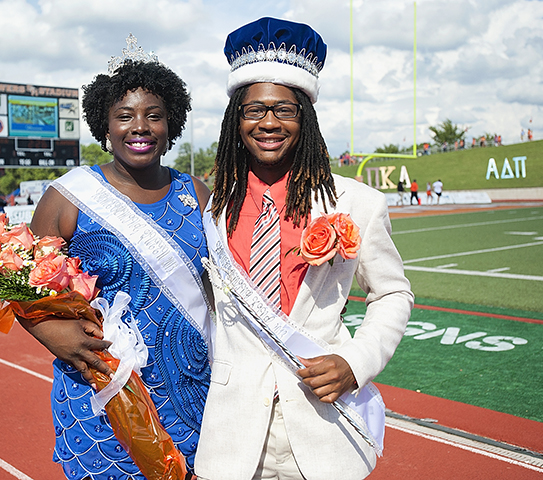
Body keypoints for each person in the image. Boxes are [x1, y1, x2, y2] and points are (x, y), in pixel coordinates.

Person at [196, 17, 413, 480]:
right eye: (253, 110)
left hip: (323, 428)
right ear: (236, 121)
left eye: (284, 109)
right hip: (233, 436)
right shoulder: (210, 207)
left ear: (305, 118)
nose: (268, 123)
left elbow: (393, 294)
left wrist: (356, 363)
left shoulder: (357, 203)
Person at [23, 36, 212, 480]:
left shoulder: (197, 193)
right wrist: (52, 334)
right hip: (104, 387)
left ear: (172, 124)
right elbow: (23, 285)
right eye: (124, 116)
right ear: (104, 128)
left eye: (154, 116)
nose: (140, 126)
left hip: (193, 384)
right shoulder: (67, 197)